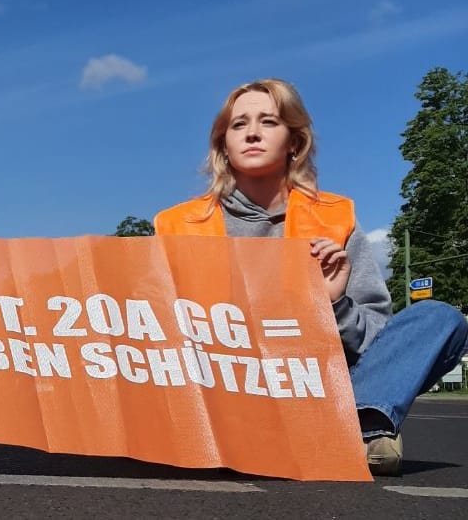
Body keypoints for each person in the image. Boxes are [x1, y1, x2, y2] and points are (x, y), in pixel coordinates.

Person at [154, 78, 467, 477]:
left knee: (440, 318)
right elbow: (153, 333)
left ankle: (362, 425)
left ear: (294, 142)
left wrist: (334, 304)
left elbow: (379, 341)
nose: (252, 132)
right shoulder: (177, 224)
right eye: (238, 125)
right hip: (224, 388)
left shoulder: (335, 218)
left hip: (320, 390)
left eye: (268, 121)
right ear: (223, 145)